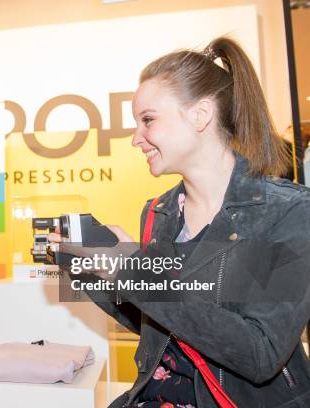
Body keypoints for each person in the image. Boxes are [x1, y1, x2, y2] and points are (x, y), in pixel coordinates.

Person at [51, 37, 310, 407]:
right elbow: (158, 327)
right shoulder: (159, 212)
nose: (136, 138)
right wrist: (90, 270)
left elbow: (259, 354)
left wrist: (133, 270)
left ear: (201, 115)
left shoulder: (285, 212)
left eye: (148, 120)